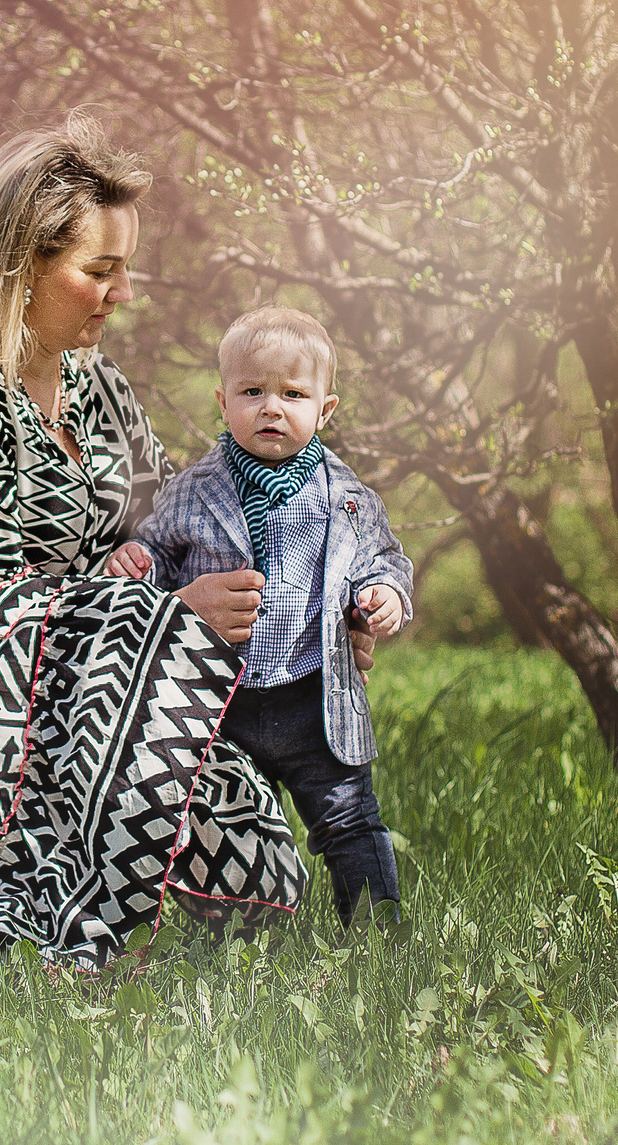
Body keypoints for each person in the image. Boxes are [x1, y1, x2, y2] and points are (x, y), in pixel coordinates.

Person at [0, 116, 367, 970]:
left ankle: (144, 914)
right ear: (20, 265)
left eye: (124, 270)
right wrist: (166, 617)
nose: (123, 292)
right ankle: (83, 936)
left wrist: (310, 615)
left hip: (100, 665)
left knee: (263, 866)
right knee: (129, 649)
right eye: (99, 271)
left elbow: (178, 523)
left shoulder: (96, 387)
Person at [104, 306, 415, 924]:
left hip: (313, 696)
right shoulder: (194, 490)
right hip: (222, 699)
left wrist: (385, 596)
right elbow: (160, 553)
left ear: (325, 410)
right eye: (253, 392)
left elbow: (385, 559)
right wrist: (139, 559)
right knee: (222, 821)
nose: (271, 408)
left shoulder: (348, 498)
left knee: (349, 817)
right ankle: (235, 938)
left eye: (293, 394)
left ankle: (381, 933)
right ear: (223, 403)